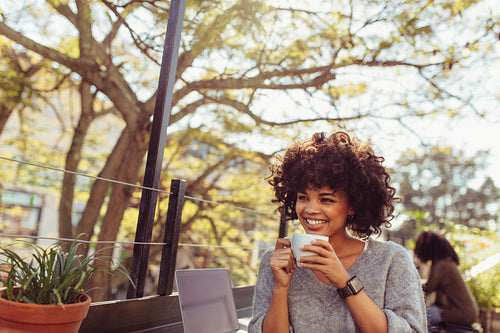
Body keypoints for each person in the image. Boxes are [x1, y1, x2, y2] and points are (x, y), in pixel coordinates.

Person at [248, 131, 427, 333]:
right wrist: (280, 288)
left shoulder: (391, 260)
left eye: (326, 200)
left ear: (352, 206)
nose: (310, 209)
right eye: (303, 197)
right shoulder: (276, 262)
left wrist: (344, 280)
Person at [414, 231, 479, 328]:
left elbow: (428, 288)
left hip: (460, 313)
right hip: (466, 312)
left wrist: (410, 283)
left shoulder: (442, 265)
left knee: (419, 316)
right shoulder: (445, 262)